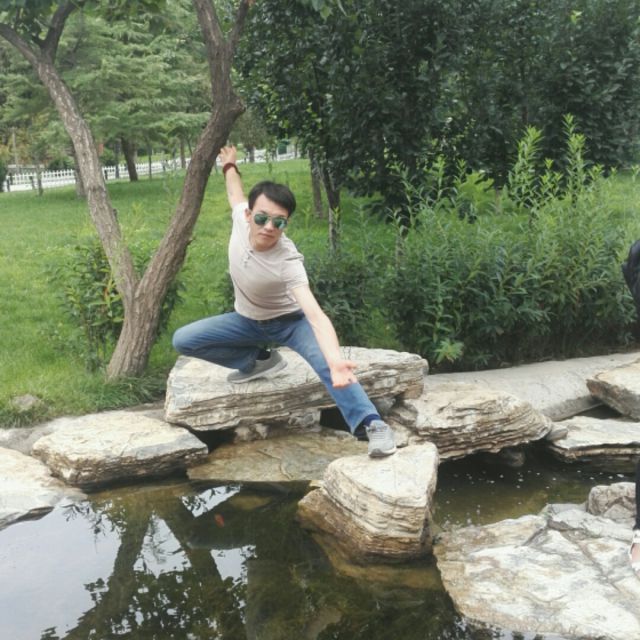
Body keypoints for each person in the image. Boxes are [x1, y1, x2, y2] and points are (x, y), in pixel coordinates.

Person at [172, 146, 396, 457]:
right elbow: (235, 193)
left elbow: (315, 315)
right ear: (249, 215)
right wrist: (229, 166)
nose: (268, 227)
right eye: (262, 218)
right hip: (246, 321)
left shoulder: (288, 260)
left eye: (278, 222)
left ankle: (373, 426)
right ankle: (258, 361)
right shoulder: (240, 218)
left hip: (290, 323)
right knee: (184, 340)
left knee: (328, 366)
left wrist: (335, 360)